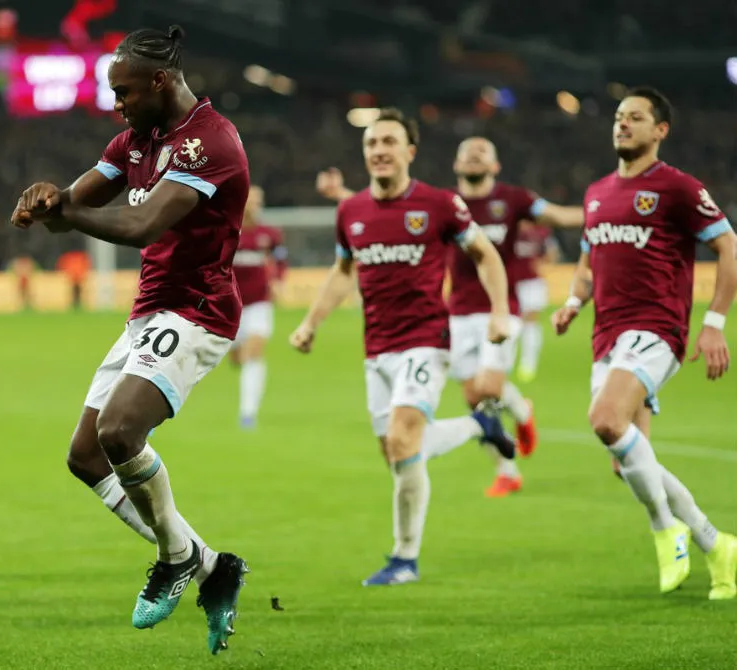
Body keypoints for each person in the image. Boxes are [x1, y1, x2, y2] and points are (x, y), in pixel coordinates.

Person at [10, 25, 249, 653]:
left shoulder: (209, 142)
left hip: (198, 310)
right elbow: (71, 210)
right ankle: (211, 566)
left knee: (120, 431)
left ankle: (175, 559)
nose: (116, 103)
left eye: (123, 91)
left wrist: (67, 210)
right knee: (85, 457)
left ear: (160, 81)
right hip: (150, 313)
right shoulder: (133, 140)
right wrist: (46, 199)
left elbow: (143, 224)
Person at [290, 108, 516, 587]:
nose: (380, 151)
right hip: (377, 350)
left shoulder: (439, 205)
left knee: (402, 440)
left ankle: (404, 558)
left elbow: (486, 255)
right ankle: (479, 424)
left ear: (409, 151)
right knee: (398, 453)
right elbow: (343, 272)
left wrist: (499, 309)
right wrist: (312, 322)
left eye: (389, 142)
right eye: (372, 144)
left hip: (427, 341)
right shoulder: (350, 212)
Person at [316, 138, 584, 497]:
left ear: (495, 165)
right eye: (466, 153)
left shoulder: (513, 199)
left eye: (482, 152)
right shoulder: (442, 204)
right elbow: (387, 211)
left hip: (500, 307)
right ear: (456, 165)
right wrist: (341, 194)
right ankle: (507, 470)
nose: (473, 156)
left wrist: (606, 209)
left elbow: (559, 215)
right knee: (475, 398)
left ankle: (521, 410)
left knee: (489, 388)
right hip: (455, 311)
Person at [552, 86, 737, 599]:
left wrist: (715, 321)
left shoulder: (676, 188)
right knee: (626, 459)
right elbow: (590, 261)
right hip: (607, 335)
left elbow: (727, 244)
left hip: (657, 328)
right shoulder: (596, 193)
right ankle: (716, 543)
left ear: (661, 130)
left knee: (605, 419)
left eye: (635, 117)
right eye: (618, 116)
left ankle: (665, 529)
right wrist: (572, 302)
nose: (622, 124)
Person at [231, 185, 287, 429]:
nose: (254, 205)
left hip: (259, 304)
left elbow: (281, 259)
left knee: (254, 352)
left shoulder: (269, 234)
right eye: (250, 201)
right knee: (237, 358)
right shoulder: (228, 232)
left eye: (257, 201)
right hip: (230, 305)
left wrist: (279, 281)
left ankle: (248, 413)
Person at [511, 222, 561, 382]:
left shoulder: (541, 231)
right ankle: (509, 360)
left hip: (532, 283)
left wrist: (543, 262)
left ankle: (528, 363)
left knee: (530, 320)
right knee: (512, 321)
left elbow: (553, 252)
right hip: (510, 282)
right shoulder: (508, 228)